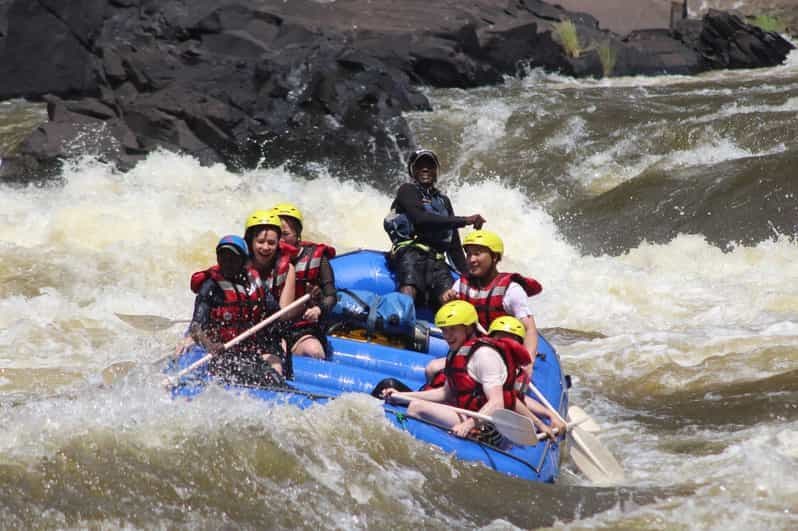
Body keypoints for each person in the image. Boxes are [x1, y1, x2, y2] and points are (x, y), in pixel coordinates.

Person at [382, 300, 532, 439]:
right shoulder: (456, 351)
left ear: (468, 328)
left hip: (488, 425)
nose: (447, 336)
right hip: (466, 413)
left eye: (453, 329)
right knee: (401, 396)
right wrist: (402, 396)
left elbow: (497, 403)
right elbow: (445, 393)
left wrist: (468, 425)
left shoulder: (485, 356)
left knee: (416, 407)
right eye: (444, 330)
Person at [425, 229, 543, 382]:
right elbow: (452, 323)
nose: (471, 260)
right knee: (432, 369)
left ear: (494, 257)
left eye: (478, 254)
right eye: (469, 254)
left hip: (499, 357)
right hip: (468, 352)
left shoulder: (511, 290)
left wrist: (528, 364)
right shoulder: (461, 284)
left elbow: (529, 328)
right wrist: (448, 303)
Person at [384, 148, 486, 309]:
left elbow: (454, 247)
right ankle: (402, 320)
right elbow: (421, 219)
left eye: (430, 165)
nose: (425, 169)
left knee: (453, 302)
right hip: (410, 253)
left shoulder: (444, 202)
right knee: (411, 283)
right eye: (420, 166)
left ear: (436, 171)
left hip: (438, 262)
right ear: (413, 171)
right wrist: (465, 220)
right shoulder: (407, 190)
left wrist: (469, 277)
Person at [184, 235, 287, 385]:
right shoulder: (210, 287)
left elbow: (275, 313)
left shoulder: (255, 282)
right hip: (222, 355)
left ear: (244, 261)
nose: (227, 262)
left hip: (250, 351)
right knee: (267, 378)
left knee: (273, 377)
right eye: (223, 257)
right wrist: (211, 346)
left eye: (232, 258)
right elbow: (195, 327)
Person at [270, 202, 336, 360]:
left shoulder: (317, 258)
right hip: (274, 326)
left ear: (297, 234)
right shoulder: (266, 257)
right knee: (277, 354)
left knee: (315, 352)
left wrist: (318, 309)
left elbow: (331, 295)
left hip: (303, 326)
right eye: (277, 234)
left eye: (285, 234)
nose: (280, 239)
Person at [487, 315, 566, 437]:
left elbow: (518, 398)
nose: (504, 346)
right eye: (500, 340)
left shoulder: (517, 371)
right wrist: (539, 424)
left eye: (510, 341)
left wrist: (549, 414)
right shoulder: (486, 362)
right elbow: (510, 399)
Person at [244, 210, 298, 312]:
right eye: (260, 242)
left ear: (278, 243)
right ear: (250, 241)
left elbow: (284, 314)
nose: (265, 247)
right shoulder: (238, 266)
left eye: (271, 243)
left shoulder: (288, 269)